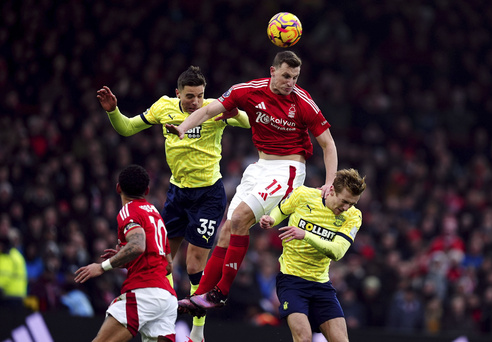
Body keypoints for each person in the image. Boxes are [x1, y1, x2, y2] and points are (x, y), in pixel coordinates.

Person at [168, 51, 337, 311]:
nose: (290, 82)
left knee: (239, 219)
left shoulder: (303, 102)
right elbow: (207, 110)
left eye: (295, 77)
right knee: (227, 228)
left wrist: (329, 183)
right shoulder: (247, 91)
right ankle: (200, 296)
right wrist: (182, 128)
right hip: (260, 166)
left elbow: (328, 144)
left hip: (289, 168)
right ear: (272, 71)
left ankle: (220, 293)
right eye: (285, 76)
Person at [97, 66, 250, 341]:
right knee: (162, 259)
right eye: (190, 96)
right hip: (178, 194)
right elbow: (128, 127)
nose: (196, 102)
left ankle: (198, 331)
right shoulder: (164, 107)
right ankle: (165, 309)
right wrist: (113, 111)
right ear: (178, 93)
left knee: (193, 265)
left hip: (208, 195)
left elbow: (249, 123)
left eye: (200, 96)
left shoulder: (214, 109)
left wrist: (235, 113)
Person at [258, 168, 366, 342]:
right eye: (344, 201)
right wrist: (271, 219)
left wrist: (306, 235)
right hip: (292, 281)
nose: (346, 208)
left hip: (321, 285)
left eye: (352, 203)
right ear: (331, 190)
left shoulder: (353, 216)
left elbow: (337, 252)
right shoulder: (303, 195)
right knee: (304, 338)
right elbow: (281, 210)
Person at [74, 164, 177, 342]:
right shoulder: (155, 214)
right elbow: (167, 265)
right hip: (167, 298)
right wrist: (126, 260)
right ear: (147, 190)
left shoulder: (129, 210)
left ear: (118, 187)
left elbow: (138, 246)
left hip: (144, 292)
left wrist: (102, 267)